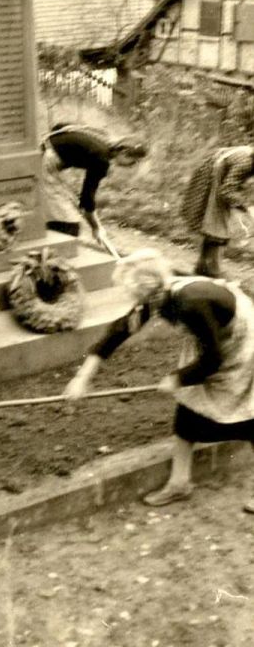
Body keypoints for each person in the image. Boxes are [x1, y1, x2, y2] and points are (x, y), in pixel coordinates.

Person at [64, 248, 254, 509]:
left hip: (241, 341)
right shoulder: (159, 293)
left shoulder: (189, 303)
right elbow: (119, 330)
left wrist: (178, 378)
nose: (132, 301)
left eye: (133, 295)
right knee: (188, 408)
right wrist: (83, 376)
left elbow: (213, 360)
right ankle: (179, 483)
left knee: (248, 416)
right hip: (213, 337)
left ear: (147, 291)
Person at [41, 123, 147, 243]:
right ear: (124, 152)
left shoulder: (104, 139)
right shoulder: (101, 160)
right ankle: (51, 245)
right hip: (43, 162)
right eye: (134, 161)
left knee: (65, 203)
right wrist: (96, 228)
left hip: (44, 151)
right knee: (68, 223)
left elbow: (61, 126)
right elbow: (86, 201)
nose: (132, 165)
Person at [181, 144, 254, 278]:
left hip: (217, 175)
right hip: (211, 178)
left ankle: (202, 267)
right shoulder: (245, 163)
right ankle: (212, 270)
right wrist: (245, 206)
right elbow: (227, 190)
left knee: (215, 225)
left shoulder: (248, 158)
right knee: (216, 226)